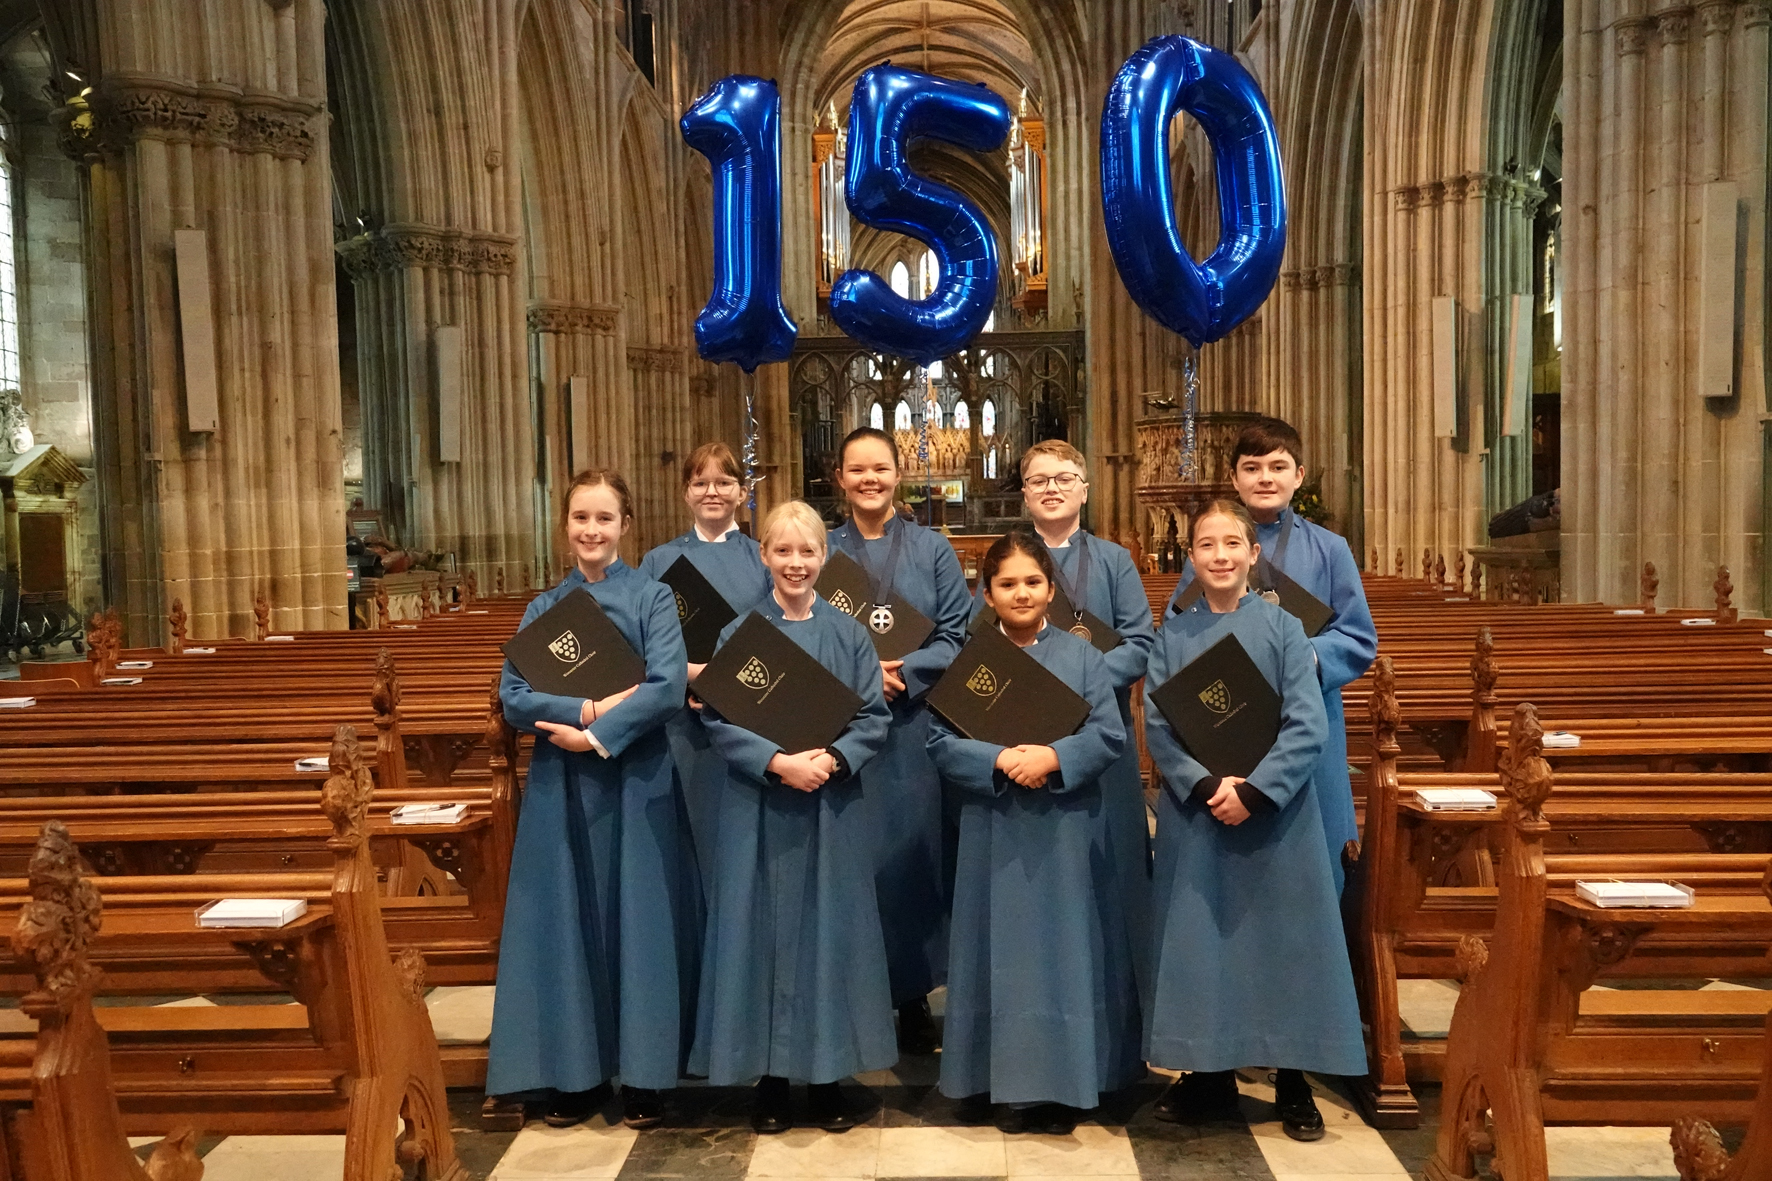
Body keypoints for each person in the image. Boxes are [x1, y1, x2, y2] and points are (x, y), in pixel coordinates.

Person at [1143, 498, 1365, 1142]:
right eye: (1206, 545)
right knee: (1202, 945)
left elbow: (1307, 721)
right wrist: (1210, 785)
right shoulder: (1173, 633)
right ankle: (1206, 1076)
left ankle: (1294, 1080)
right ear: (1191, 557)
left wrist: (1258, 790)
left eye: (1231, 545)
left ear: (1253, 554)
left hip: (1276, 817)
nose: (1220, 556)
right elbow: (1158, 725)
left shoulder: (1285, 630)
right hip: (1201, 816)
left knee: (1285, 946)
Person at [487, 469, 699, 1129]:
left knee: (640, 920)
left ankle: (645, 1075)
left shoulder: (654, 597)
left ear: (625, 525)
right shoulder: (544, 607)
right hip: (563, 786)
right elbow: (514, 695)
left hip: (636, 779)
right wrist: (581, 708)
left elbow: (665, 687)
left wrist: (598, 736)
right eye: (581, 517)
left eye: (605, 518)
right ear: (566, 524)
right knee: (569, 919)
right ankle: (573, 1074)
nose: (592, 530)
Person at [691, 500, 895, 1133]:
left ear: (824, 558)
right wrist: (778, 763)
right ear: (764, 557)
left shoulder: (848, 634)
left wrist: (830, 760)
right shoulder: (739, 636)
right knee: (763, 936)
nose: (796, 563)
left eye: (807, 552)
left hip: (829, 805)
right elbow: (719, 717)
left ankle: (829, 1077)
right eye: (783, 551)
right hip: (760, 805)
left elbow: (873, 718)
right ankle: (773, 1080)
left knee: (828, 935)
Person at [932, 531, 1139, 1135]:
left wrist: (1051, 757)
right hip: (992, 825)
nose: (1021, 593)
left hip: (1063, 826)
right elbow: (940, 742)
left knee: (1062, 949)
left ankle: (1065, 1082)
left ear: (1051, 589)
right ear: (987, 595)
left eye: (1032, 582)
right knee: (992, 951)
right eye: (1006, 584)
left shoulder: (1083, 658)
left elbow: (1108, 735)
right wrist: (996, 761)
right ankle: (986, 1078)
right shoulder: (970, 661)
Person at [984, 439, 1155, 1038]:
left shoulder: (1113, 561)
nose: (1051, 488)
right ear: (1024, 492)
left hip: (1094, 742)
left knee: (1107, 878)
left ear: (1084, 488)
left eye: (1064, 478)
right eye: (1038, 480)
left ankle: (1114, 1017)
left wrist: (1069, 684)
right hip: (1016, 744)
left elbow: (1141, 645)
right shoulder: (1007, 563)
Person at [1163, 417, 1376, 892]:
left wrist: (1299, 661)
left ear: (1298, 475)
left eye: (1277, 467)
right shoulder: (1213, 548)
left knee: (1311, 852)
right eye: (1252, 467)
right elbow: (1180, 627)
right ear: (1235, 477)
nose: (1265, 478)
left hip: (1307, 718)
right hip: (1229, 720)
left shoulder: (1330, 549)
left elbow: (1359, 638)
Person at [829, 426, 971, 1053]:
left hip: (912, 727)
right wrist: (862, 678)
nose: (869, 479)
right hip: (840, 727)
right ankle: (850, 994)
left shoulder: (932, 549)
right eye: (857, 469)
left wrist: (903, 675)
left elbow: (955, 635)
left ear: (897, 474)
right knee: (851, 864)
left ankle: (913, 996)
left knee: (911, 864)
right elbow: (796, 629)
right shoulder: (821, 548)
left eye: (880, 468)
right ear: (840, 478)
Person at [640, 442, 771, 872]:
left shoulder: (763, 558)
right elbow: (639, 640)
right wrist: (691, 674)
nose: (712, 491)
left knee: (737, 842)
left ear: (741, 490)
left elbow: (777, 634)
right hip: (679, 718)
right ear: (686, 492)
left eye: (724, 482)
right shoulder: (658, 560)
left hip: (747, 716)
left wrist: (723, 683)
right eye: (700, 482)